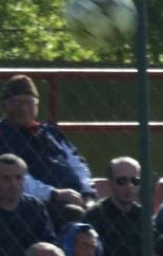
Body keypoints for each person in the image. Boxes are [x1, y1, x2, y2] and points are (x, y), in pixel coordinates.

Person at [0, 74, 95, 214]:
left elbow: (77, 163)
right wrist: (54, 194)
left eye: (29, 102)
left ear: (37, 105)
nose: (24, 108)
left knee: (99, 213)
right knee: (73, 213)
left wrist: (87, 193)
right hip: (37, 204)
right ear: (5, 105)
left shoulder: (50, 132)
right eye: (17, 103)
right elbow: (15, 177)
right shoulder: (3, 135)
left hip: (76, 197)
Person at [89, 156, 144, 256]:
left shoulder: (144, 217)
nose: (129, 186)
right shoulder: (95, 216)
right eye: (122, 181)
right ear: (110, 183)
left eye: (135, 181)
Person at [0, 152, 55, 256]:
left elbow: (49, 243)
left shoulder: (35, 207)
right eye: (6, 178)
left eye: (18, 177)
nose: (13, 184)